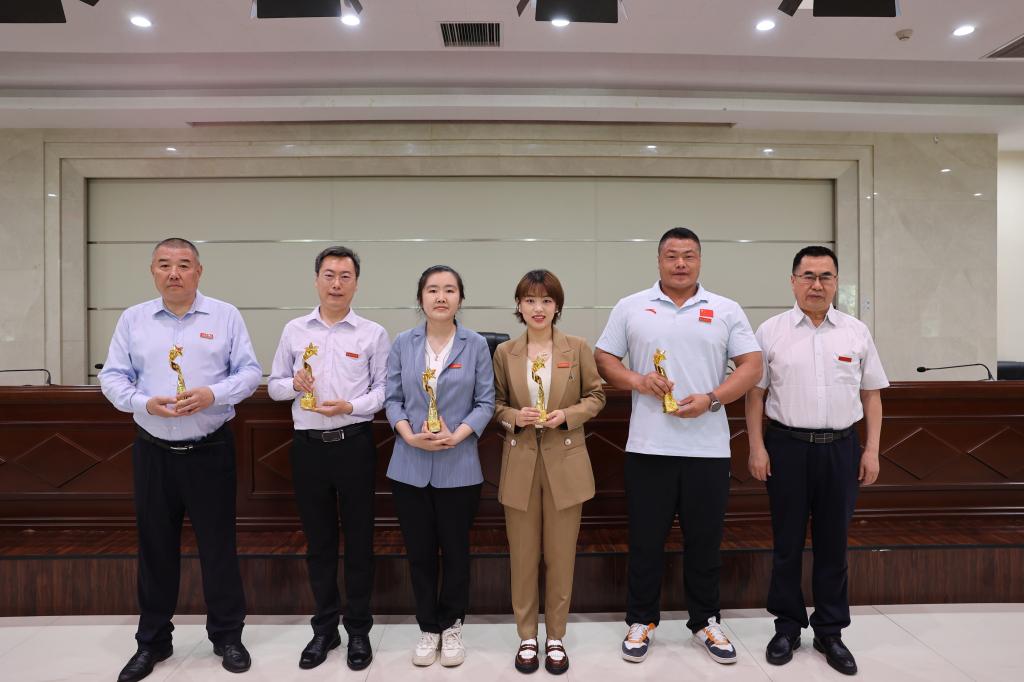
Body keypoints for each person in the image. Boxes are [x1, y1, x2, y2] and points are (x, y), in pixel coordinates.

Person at [594, 227, 762, 665]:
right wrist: (637, 380)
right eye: (672, 255)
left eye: (689, 255)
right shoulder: (632, 306)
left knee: (705, 542)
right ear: (659, 261)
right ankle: (641, 620)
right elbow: (604, 358)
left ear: (700, 260)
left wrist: (712, 399)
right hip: (648, 447)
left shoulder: (725, 309)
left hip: (708, 449)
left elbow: (752, 365)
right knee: (645, 540)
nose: (680, 263)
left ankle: (706, 621)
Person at [98, 238, 261, 682]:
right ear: (152, 271)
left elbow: (249, 372)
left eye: (184, 265)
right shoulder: (133, 319)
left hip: (210, 450)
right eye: (165, 265)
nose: (174, 273)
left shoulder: (224, 315)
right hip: (153, 451)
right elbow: (112, 377)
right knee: (155, 549)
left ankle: (227, 636)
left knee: (218, 547)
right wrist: (144, 403)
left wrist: (214, 394)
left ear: (198, 272)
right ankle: (152, 642)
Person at [744, 245, 887, 676]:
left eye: (826, 276)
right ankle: (787, 627)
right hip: (786, 447)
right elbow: (755, 396)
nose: (817, 285)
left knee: (833, 545)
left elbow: (871, 394)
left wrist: (871, 449)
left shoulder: (856, 332)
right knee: (786, 543)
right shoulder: (770, 331)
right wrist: (756, 447)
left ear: (837, 283)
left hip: (841, 449)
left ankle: (830, 631)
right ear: (793, 281)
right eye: (808, 276)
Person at [267, 246, 390, 671]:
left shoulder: (372, 333)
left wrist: (351, 406)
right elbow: (274, 386)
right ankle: (324, 629)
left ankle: (358, 629)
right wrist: (294, 385)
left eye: (345, 276)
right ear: (316, 279)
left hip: (354, 444)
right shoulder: (294, 330)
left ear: (356, 283)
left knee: (359, 542)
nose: (336, 284)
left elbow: (384, 391)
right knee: (318, 543)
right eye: (329, 275)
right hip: (308, 448)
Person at [492, 269, 606, 675]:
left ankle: (555, 635)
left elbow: (597, 395)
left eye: (546, 300)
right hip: (520, 462)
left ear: (557, 306)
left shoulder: (577, 347)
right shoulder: (505, 352)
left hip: (565, 461)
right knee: (522, 557)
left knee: (561, 557)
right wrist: (513, 417)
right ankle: (527, 636)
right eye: (529, 300)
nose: (538, 308)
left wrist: (568, 415)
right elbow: (496, 404)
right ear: (519, 306)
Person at [384, 265, 495, 668]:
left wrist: (459, 434)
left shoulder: (476, 344)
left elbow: (486, 401)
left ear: (460, 298)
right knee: (419, 553)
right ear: (421, 298)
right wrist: (408, 434)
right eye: (433, 290)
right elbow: (392, 398)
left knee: (456, 552)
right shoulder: (403, 342)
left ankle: (452, 625)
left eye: (450, 290)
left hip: (459, 465)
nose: (441, 297)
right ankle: (427, 627)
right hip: (410, 464)